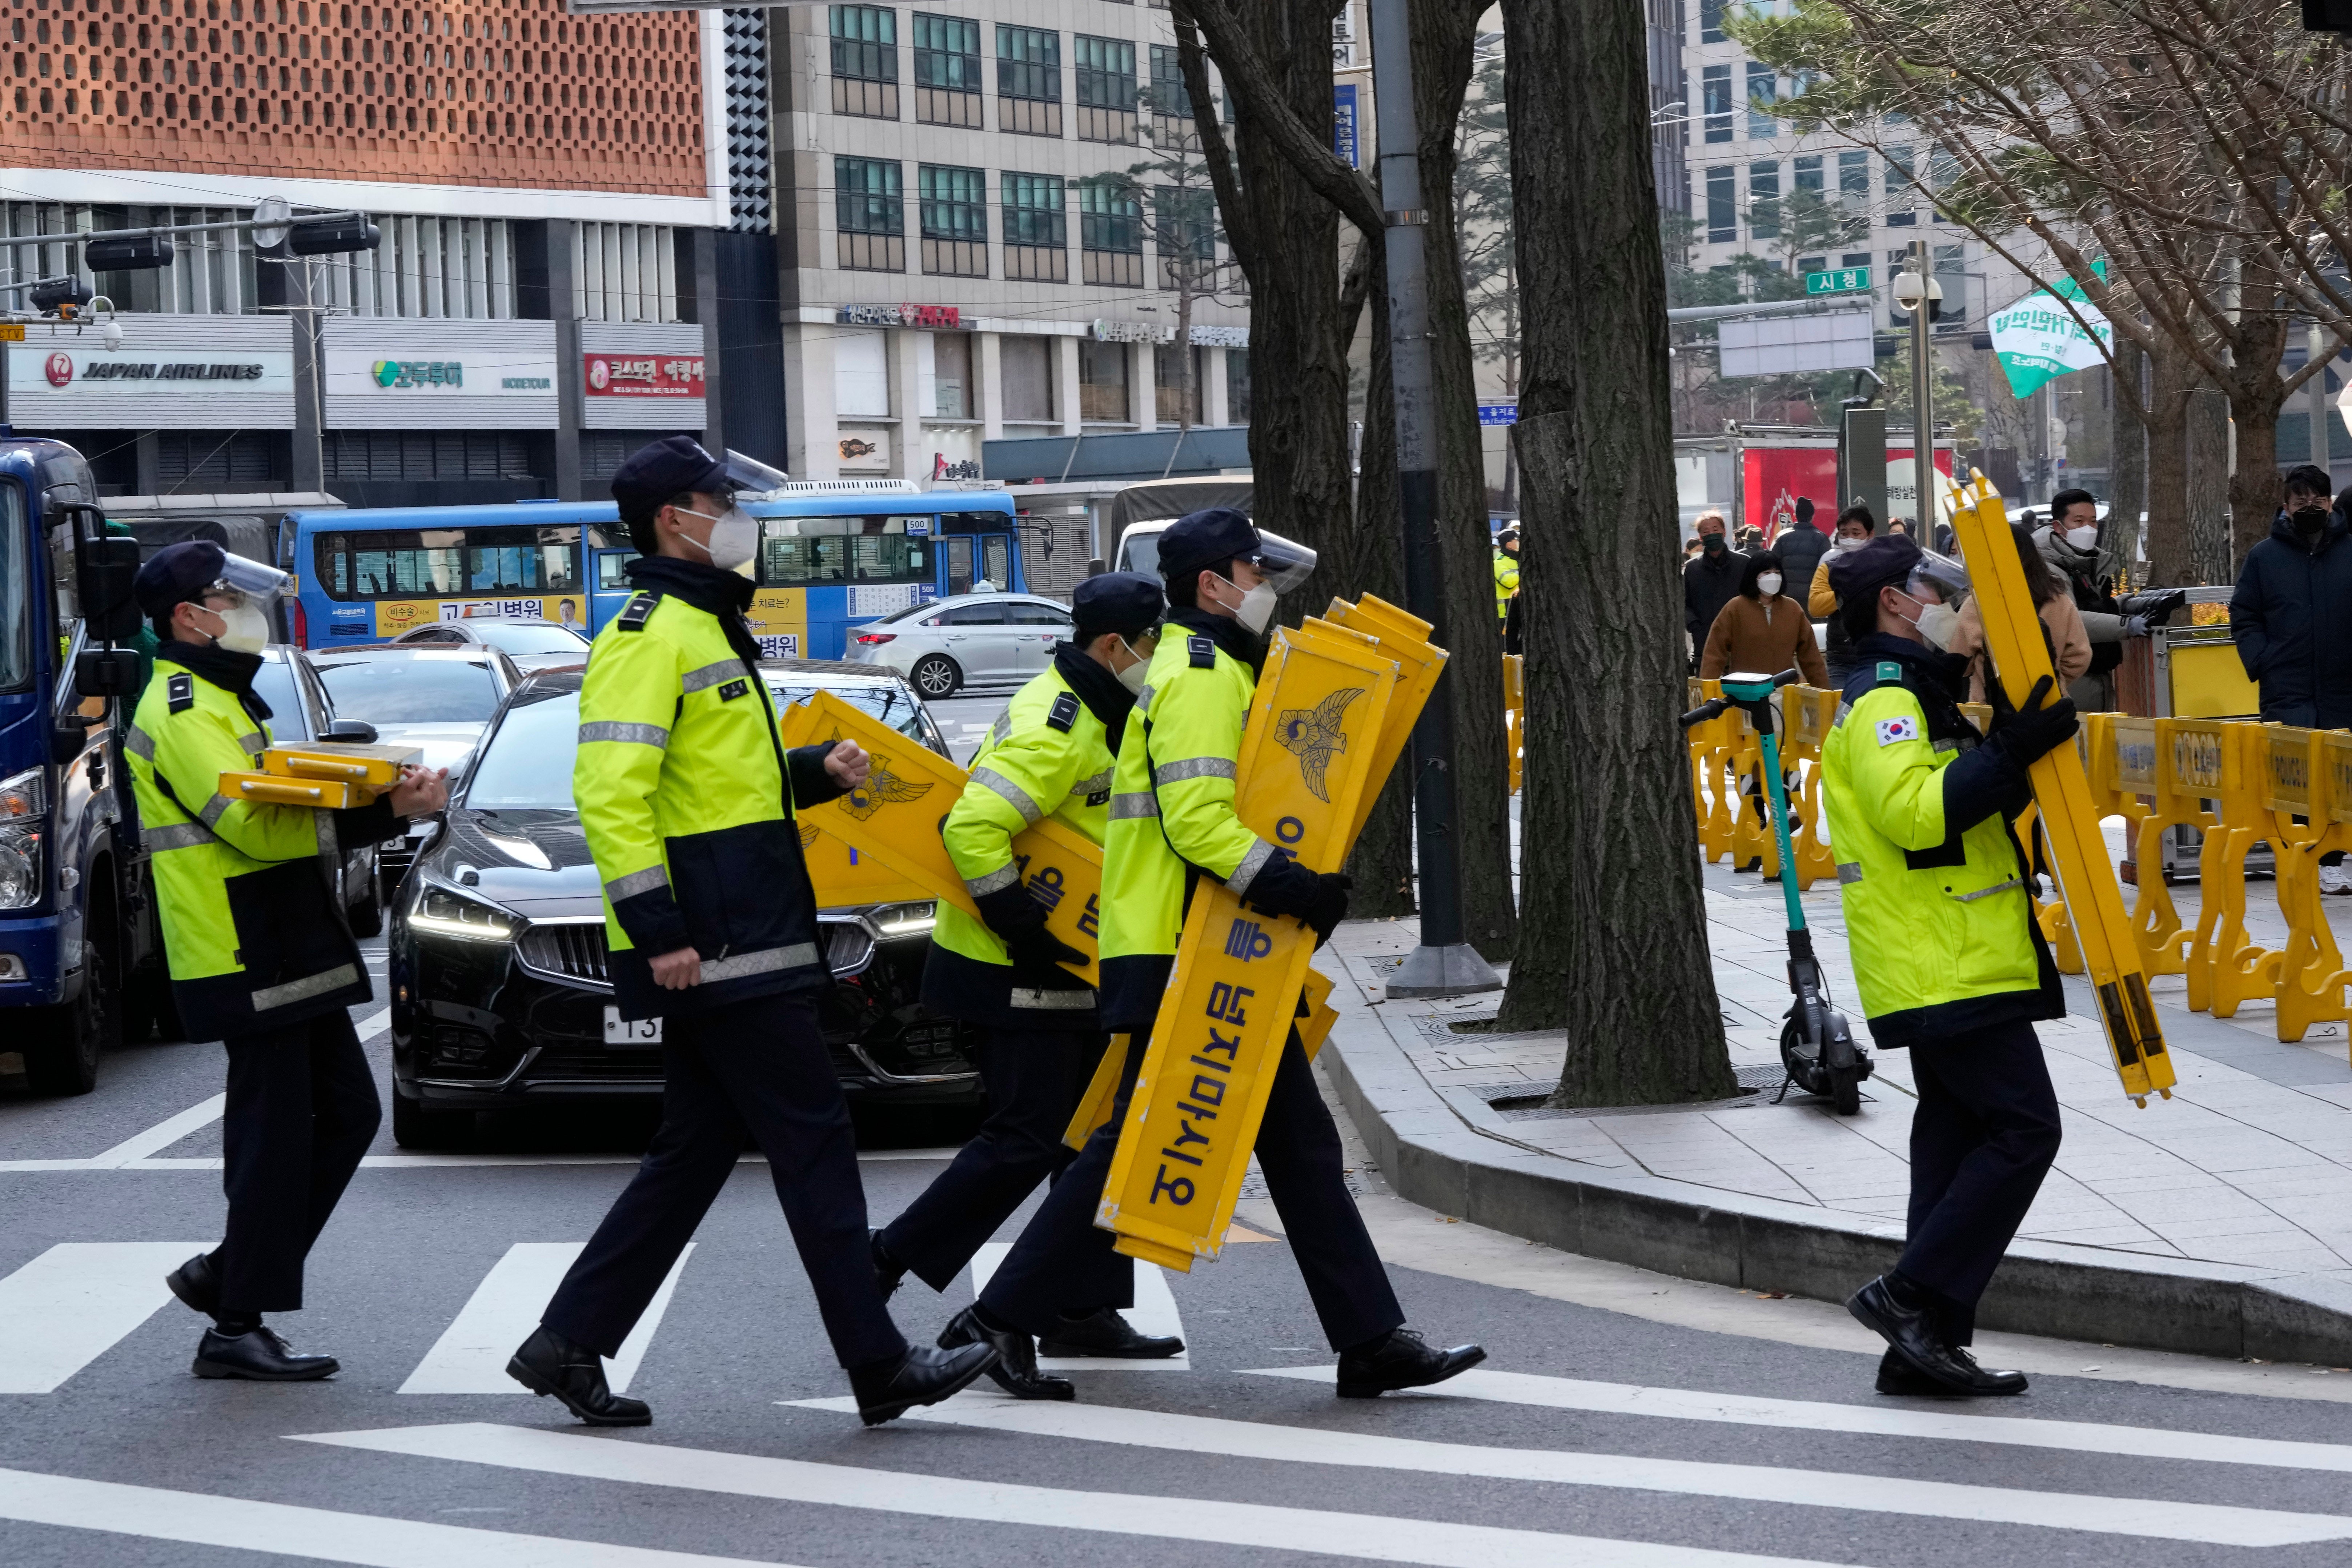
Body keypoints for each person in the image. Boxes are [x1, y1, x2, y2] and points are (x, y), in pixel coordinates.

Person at [506, 436, 997, 1428]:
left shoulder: (702, 624)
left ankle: (568, 1341)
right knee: (815, 1141)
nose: (736, 516)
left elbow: (718, 788)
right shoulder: (650, 633)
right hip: (721, 946)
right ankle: (877, 1362)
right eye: (717, 500)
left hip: (741, 934)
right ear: (671, 519)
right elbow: (610, 794)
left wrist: (815, 773)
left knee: (693, 1152)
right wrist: (658, 931)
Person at [955, 508, 1486, 1400]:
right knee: (1133, 1148)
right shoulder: (1199, 675)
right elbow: (1198, 822)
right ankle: (994, 1319)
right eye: (1253, 572)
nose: (1263, 588)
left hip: (1201, 947)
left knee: (1300, 1145)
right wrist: (1293, 886)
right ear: (1211, 584)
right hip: (1184, 951)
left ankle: (1370, 1338)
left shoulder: (1207, 665)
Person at [131, 542, 449, 1380]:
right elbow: (254, 829)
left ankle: (227, 1278)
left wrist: (374, 792)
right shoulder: (182, 706)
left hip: (283, 939)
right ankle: (235, 1320)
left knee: (346, 1115)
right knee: (273, 1137)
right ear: (186, 618)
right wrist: (389, 809)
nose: (241, 609)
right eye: (223, 596)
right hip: (241, 946)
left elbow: (280, 801)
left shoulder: (223, 694)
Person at [871, 572, 1183, 1398]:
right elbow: (971, 827)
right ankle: (886, 1259)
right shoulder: (1060, 724)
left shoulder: (1109, 707)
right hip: (1015, 964)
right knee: (1027, 1139)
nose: (1159, 655)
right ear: (1113, 646)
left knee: (1087, 1142)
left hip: (1067, 960)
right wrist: (1025, 931)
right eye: (1151, 641)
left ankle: (1079, 1307)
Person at [1821, 534, 2074, 1398]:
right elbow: (1918, 814)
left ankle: (1922, 1344)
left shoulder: (1918, 690)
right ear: (1895, 603)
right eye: (1934, 587)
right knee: (2025, 1129)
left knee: (1955, 1137)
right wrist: (2011, 752)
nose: (1952, 601)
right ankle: (1907, 1296)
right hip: (1943, 962)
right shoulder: (1886, 700)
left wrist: (2011, 744)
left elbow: (1964, 808)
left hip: (1951, 955)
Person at [2233, 465, 2352, 894]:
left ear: (2330, 503)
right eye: (2300, 502)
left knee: (2339, 779)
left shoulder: (2349, 550)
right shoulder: (2263, 557)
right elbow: (2244, 614)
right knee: (2295, 781)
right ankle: (2299, 858)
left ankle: (2331, 861)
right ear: (2285, 506)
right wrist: (2261, 659)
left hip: (2342, 688)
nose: (2310, 508)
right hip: (2287, 687)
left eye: (2318, 500)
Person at [2034, 488, 2184, 711]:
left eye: (2093, 521)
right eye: (2079, 521)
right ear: (2058, 527)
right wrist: (2126, 626)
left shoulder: (2084, 562)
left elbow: (2093, 605)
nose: (2088, 528)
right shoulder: (2050, 569)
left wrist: (2129, 602)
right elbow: (2069, 619)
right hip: (2070, 676)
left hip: (2096, 674)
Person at [1951, 523, 2090, 703]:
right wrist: (2053, 680)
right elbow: (2080, 657)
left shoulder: (1978, 603)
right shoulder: (2059, 600)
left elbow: (1959, 661)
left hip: (1990, 707)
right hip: (2049, 704)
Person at [1698, 550, 1828, 688]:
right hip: (1745, 692)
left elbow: (1811, 658)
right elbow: (1714, 653)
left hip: (1786, 692)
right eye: (1767, 573)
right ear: (1754, 576)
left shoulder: (1793, 609)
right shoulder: (1735, 608)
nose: (1773, 577)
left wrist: (1824, 691)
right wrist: (1707, 690)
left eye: (1777, 573)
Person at [1809, 505, 1877, 686]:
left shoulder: (1882, 568)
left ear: (1870, 535)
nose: (1849, 539)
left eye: (1856, 533)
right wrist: (1847, 590)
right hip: (1841, 661)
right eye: (1844, 534)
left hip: (1876, 657)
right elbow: (1815, 606)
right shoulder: (1829, 569)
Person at [1682, 512, 1747, 673]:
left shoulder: (1744, 563)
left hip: (1740, 644)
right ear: (1701, 537)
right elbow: (1685, 603)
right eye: (1706, 532)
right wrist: (1695, 626)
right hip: (1704, 644)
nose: (1712, 535)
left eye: (1716, 530)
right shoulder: (1692, 568)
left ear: (1724, 532)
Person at [1774, 496, 1830, 611]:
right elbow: (1827, 567)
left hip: (1787, 594)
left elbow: (1773, 563)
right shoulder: (1821, 538)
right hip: (1812, 594)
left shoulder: (1782, 537)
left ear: (1795, 515)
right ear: (1813, 516)